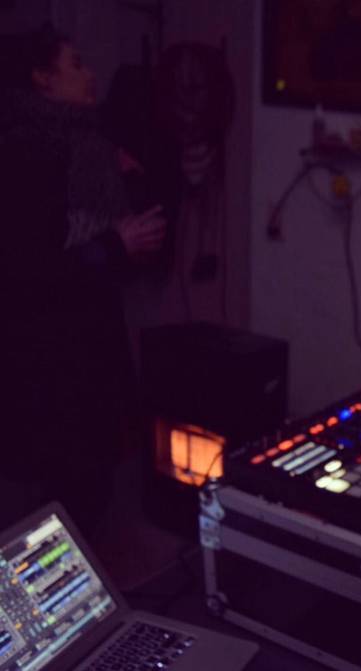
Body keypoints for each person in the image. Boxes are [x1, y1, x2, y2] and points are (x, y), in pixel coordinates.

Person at [0, 25, 166, 538]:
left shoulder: (90, 147)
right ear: (42, 77)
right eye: (75, 64)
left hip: (88, 347)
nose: (90, 74)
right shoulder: (26, 153)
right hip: (48, 361)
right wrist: (115, 244)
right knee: (65, 500)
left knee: (90, 492)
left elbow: (131, 238)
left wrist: (128, 181)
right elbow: (25, 272)